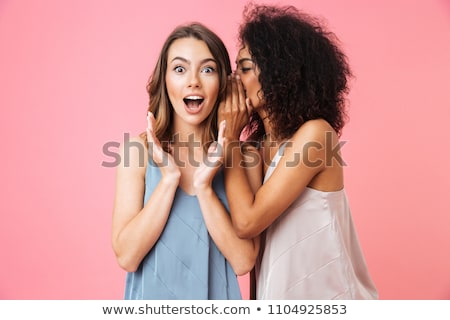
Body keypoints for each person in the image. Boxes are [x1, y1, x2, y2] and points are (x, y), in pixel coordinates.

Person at [221, 3, 378, 299]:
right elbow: (252, 252)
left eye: (244, 67)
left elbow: (247, 222)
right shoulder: (252, 150)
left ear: (280, 73)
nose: (234, 79)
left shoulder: (316, 136)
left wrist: (229, 138)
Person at [111, 22, 260, 299]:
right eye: (180, 69)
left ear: (224, 84)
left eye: (207, 69)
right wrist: (169, 179)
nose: (194, 81)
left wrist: (204, 187)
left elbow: (244, 261)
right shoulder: (136, 152)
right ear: (164, 81)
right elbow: (127, 257)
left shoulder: (245, 158)